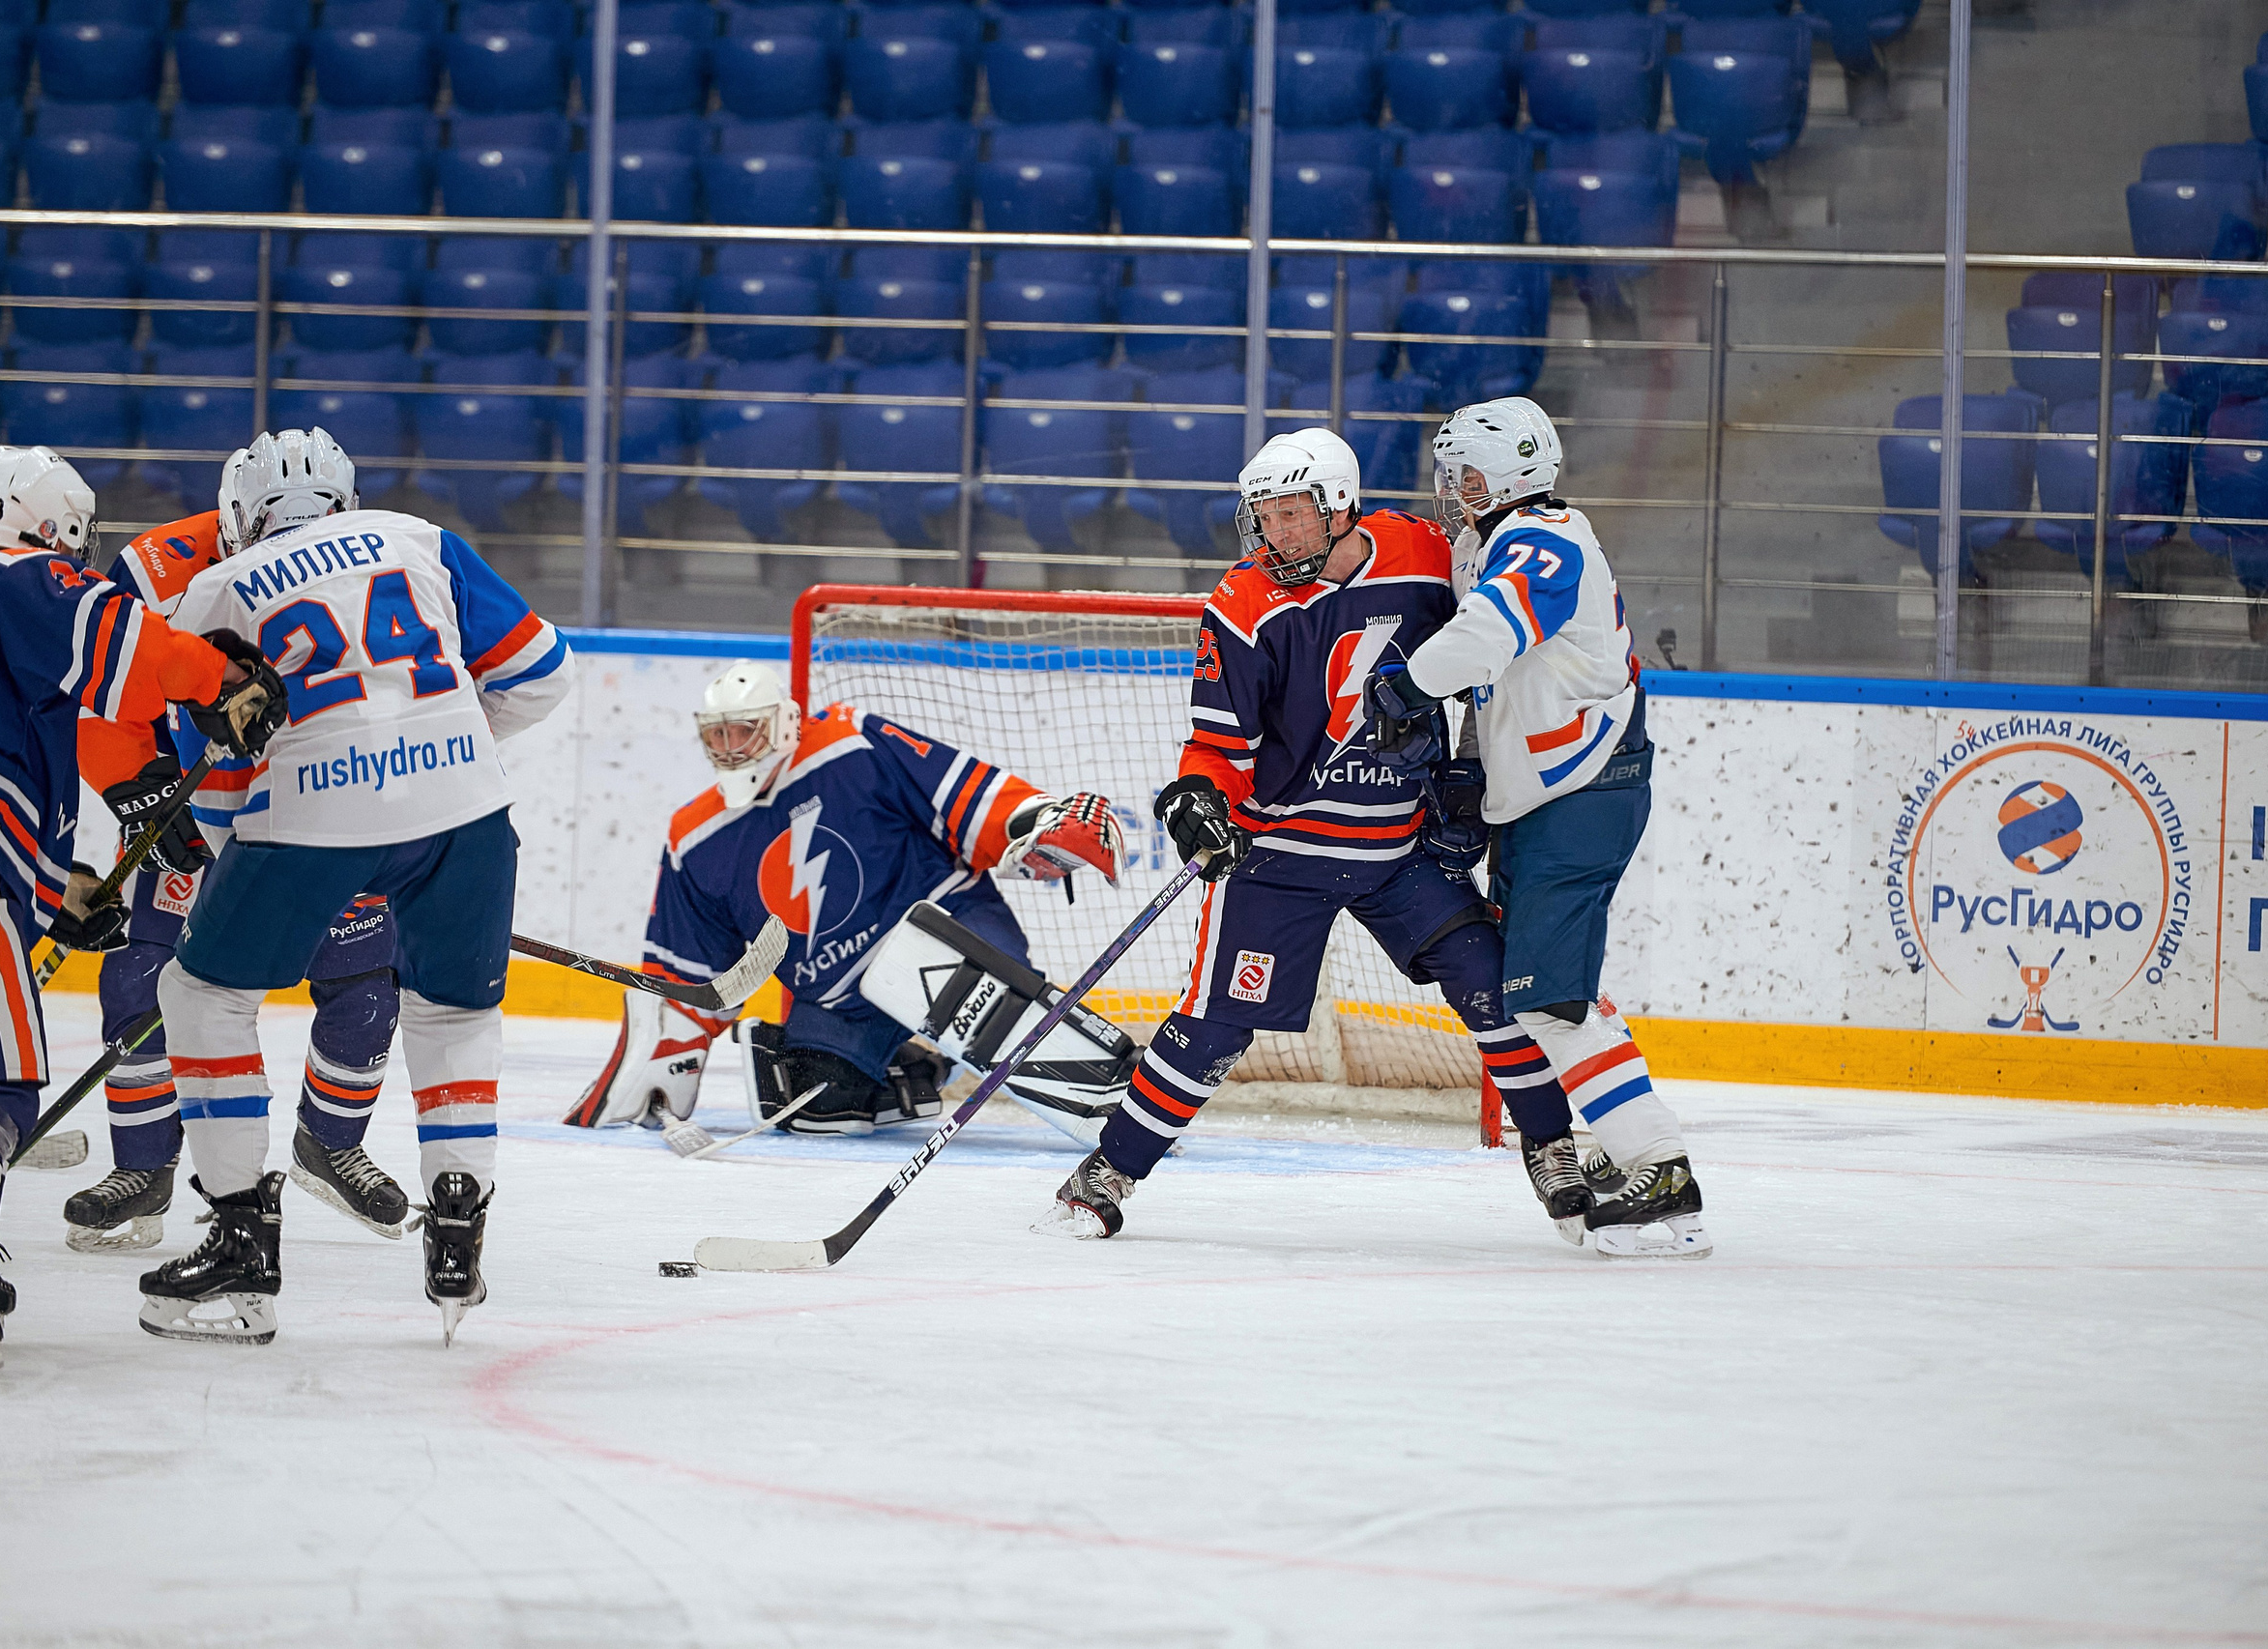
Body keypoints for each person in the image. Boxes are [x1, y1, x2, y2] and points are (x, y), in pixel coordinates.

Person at [1042, 428, 1570, 1238]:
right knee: (1216, 1027)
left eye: (1293, 513)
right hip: (1278, 854)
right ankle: (1108, 1172)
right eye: (1266, 515)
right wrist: (1198, 795)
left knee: (1493, 988)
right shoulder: (1244, 600)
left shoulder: (1425, 553)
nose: (1276, 532)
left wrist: (1468, 770)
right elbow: (1218, 745)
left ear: (1338, 507)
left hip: (1399, 849)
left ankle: (1554, 1145)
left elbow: (1493, 663)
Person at [137, 429, 573, 1346]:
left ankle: (240, 1242)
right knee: (453, 1015)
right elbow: (542, 675)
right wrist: (435, 760)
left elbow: (217, 791)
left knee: (202, 995)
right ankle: (457, 1234)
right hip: (467, 812)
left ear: (240, 513)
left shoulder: (211, 592)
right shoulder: (420, 538)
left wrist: (301, 859)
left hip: (309, 819)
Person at [0, 445, 279, 1374]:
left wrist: (58, 885)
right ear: (54, 524)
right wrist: (222, 680)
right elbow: (123, 637)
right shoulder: (20, 580)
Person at [1367, 396, 1710, 1258]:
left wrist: (1409, 686)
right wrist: (1472, 784)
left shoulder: (1547, 539)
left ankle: (1660, 1166)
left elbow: (1487, 639)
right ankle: (1656, 1175)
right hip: (1543, 797)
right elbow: (1499, 687)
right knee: (1555, 994)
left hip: (1585, 791)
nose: (1454, 490)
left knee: (1548, 1000)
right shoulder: (1490, 543)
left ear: (1518, 473)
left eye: (1469, 475)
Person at [63, 442, 409, 1251]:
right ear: (234, 520)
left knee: (365, 983)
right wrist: (137, 783)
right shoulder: (154, 572)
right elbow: (99, 684)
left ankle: (331, 1143)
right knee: (142, 977)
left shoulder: (374, 564)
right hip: (193, 811)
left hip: (320, 807)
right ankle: (144, 1167)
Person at [567, 661, 1134, 1145]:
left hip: (946, 929)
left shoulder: (849, 742)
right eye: (720, 737)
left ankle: (1127, 1092)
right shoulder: (695, 838)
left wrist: (1039, 825)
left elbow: (965, 794)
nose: (734, 750)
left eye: (747, 732)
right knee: (808, 1104)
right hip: (845, 1000)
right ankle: (920, 1070)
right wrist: (661, 1058)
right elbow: (692, 973)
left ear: (785, 723)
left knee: (951, 984)